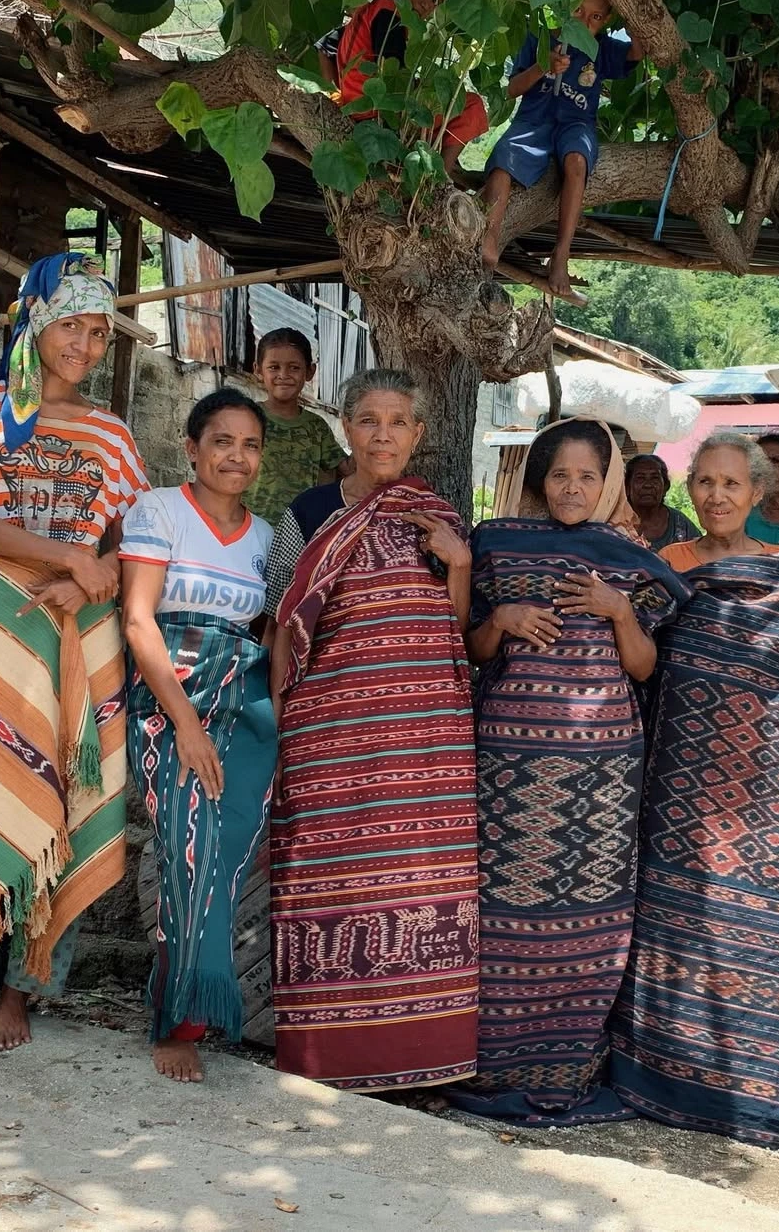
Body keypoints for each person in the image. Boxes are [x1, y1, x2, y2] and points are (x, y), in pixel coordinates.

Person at [451, 417, 689, 1125]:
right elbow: (471, 647)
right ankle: (491, 1065)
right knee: (500, 914)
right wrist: (505, 620)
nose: (573, 488)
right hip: (509, 769)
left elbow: (645, 667)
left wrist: (619, 613)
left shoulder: (629, 559)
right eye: (560, 475)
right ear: (537, 480)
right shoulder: (495, 544)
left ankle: (566, 1063)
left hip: (601, 774)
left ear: (609, 480)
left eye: (588, 476)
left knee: (588, 919)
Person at [0, 251, 148, 1051]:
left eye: (99, 333)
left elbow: (128, 552)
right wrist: (67, 559)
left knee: (67, 809)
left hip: (77, 639)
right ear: (34, 323)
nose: (86, 346)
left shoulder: (114, 435)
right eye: (72, 326)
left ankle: (22, 992)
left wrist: (85, 585)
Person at [269, 367, 479, 1091]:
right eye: (368, 420)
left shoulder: (437, 517)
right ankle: (329, 1058)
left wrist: (459, 566)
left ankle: (420, 1059)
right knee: (328, 885)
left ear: (419, 435)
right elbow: (281, 625)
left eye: (398, 422)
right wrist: (277, 724)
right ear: (347, 429)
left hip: (424, 741)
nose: (382, 435)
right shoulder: (310, 510)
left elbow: (452, 631)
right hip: (330, 733)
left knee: (420, 883)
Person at [122, 389, 276, 1085]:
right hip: (171, 700)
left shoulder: (270, 538)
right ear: (191, 447)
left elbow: (273, 631)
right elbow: (138, 621)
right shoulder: (158, 512)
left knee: (228, 858)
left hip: (246, 706)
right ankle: (176, 1021)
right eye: (221, 441)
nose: (235, 456)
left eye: (249, 445)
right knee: (189, 850)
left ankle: (192, 1004)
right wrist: (184, 723)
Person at [481, 0, 642, 295]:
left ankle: (561, 253)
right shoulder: (538, 38)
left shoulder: (601, 49)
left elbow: (638, 51)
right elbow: (513, 88)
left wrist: (631, 12)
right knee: (505, 157)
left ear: (606, 21)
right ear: (562, 6)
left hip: (575, 125)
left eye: (595, 17)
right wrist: (543, 66)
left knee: (577, 162)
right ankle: (489, 239)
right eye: (578, 10)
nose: (583, 21)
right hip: (533, 122)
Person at [333, 0, 488, 173]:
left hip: (356, 100)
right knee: (472, 106)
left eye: (436, 1)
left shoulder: (374, 3)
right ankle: (440, 173)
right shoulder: (390, 13)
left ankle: (437, 160)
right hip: (372, 109)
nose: (428, 4)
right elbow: (394, 80)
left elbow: (326, 47)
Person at [242, 328, 347, 528]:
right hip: (248, 529)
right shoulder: (246, 418)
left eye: (294, 368)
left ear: (310, 372)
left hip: (298, 533)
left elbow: (347, 471)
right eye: (274, 367)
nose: (284, 375)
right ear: (258, 369)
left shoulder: (316, 427)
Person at [658, 432, 779, 573]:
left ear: (757, 492)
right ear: (690, 488)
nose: (717, 498)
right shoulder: (670, 560)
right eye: (705, 482)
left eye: (731, 483)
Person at [624, 453, 699, 552]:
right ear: (627, 486)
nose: (648, 485)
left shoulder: (680, 524)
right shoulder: (615, 522)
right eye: (640, 478)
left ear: (665, 486)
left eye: (655, 478)